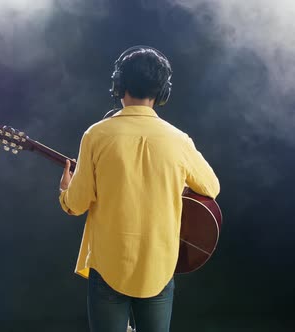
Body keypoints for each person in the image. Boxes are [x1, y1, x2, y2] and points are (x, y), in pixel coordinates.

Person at [58, 46, 220, 332]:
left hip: (108, 264)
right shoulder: (178, 140)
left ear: (118, 84)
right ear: (162, 91)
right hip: (158, 265)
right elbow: (211, 187)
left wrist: (65, 190)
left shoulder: (96, 134)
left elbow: (77, 204)